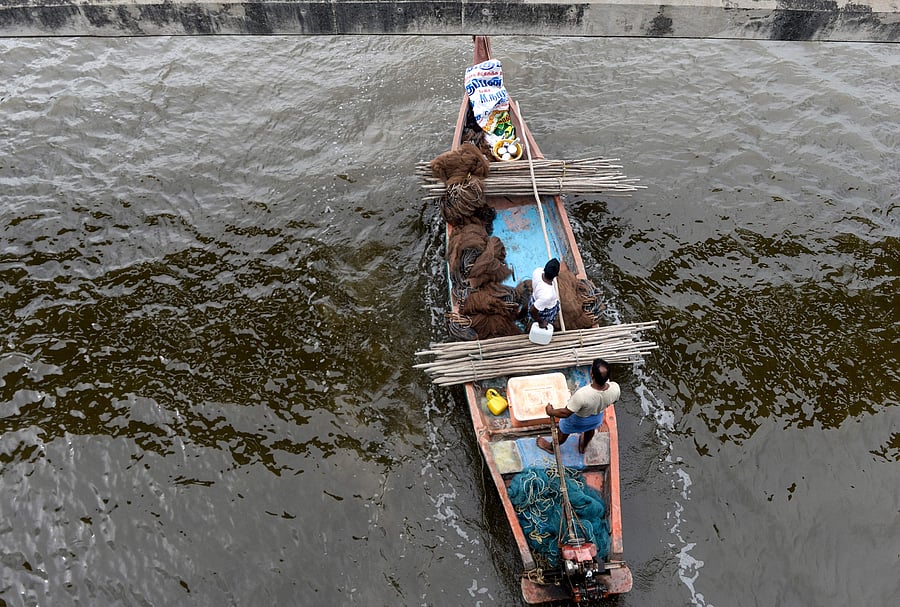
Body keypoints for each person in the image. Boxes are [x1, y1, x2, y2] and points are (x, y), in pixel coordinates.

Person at [537, 358, 620, 455]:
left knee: (563, 432)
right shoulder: (615, 388)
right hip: (597, 418)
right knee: (590, 429)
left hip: (578, 419)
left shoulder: (582, 395)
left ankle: (551, 447)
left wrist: (551, 412)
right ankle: (583, 447)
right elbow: (614, 401)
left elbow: (566, 413)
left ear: (592, 374)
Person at [529, 258, 560, 329]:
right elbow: (532, 311)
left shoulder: (537, 271)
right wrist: (541, 322)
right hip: (543, 310)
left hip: (534, 299)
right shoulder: (548, 295)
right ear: (556, 275)